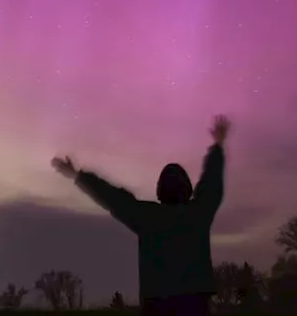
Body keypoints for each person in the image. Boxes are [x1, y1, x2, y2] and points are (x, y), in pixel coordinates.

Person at [51, 115, 229, 316]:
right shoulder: (198, 214)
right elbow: (211, 184)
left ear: (160, 190)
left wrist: (79, 176)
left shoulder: (148, 217)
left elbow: (113, 197)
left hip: (156, 304)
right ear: (187, 189)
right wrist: (218, 146)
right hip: (195, 304)